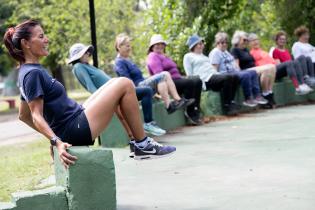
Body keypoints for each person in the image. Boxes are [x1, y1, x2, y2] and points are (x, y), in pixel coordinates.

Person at [3, 20, 176, 166]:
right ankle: (142, 144)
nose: (46, 40)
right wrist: (56, 140)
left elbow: (22, 115)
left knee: (116, 83)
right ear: (26, 43)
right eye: (41, 37)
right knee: (124, 83)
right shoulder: (32, 74)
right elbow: (34, 115)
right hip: (75, 128)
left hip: (74, 119)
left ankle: (138, 142)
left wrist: (54, 135)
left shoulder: (27, 71)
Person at [68, 43, 166, 138]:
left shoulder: (87, 66)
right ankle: (148, 123)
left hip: (115, 90)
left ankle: (137, 142)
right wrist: (101, 101)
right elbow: (90, 86)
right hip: (111, 93)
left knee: (128, 114)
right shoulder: (78, 67)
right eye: (86, 53)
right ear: (79, 55)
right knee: (146, 91)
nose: (88, 54)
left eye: (88, 52)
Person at [114, 33, 194, 114]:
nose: (129, 48)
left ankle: (170, 105)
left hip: (142, 83)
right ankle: (177, 100)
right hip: (137, 87)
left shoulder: (127, 60)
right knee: (164, 74)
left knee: (162, 79)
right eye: (127, 46)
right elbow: (126, 80)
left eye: (129, 46)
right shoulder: (119, 62)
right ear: (119, 47)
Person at [146, 34, 203, 125]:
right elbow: (159, 74)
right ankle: (190, 112)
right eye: (157, 44)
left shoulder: (165, 56)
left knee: (197, 81)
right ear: (152, 47)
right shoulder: (153, 56)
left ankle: (196, 108)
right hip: (166, 82)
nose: (160, 46)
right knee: (190, 83)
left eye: (161, 44)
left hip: (176, 80)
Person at [183, 34, 240, 116]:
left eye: (202, 43)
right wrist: (198, 85)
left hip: (213, 75)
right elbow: (189, 73)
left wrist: (217, 74)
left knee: (235, 77)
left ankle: (231, 101)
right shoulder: (188, 56)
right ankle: (227, 106)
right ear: (193, 46)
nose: (201, 45)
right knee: (227, 78)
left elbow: (211, 69)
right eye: (199, 44)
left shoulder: (204, 56)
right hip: (205, 79)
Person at [209, 32, 268, 107]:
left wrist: (240, 71)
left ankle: (257, 96)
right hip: (226, 74)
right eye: (222, 42)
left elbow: (234, 65)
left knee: (253, 72)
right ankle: (248, 98)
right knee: (246, 75)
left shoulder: (226, 52)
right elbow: (214, 69)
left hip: (234, 72)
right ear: (217, 43)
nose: (224, 44)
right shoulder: (215, 53)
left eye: (226, 42)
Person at [248, 33, 313, 96]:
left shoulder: (263, 51)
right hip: (271, 71)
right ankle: (297, 87)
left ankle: (305, 81)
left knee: (300, 59)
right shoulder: (251, 53)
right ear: (249, 43)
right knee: (290, 62)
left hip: (276, 68)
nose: (256, 42)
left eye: (257, 40)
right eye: (253, 40)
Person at [231, 31, 276, 108]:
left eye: (247, 40)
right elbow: (236, 66)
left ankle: (269, 92)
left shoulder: (245, 50)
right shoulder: (235, 50)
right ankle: (265, 95)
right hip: (246, 71)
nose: (246, 42)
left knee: (272, 67)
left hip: (254, 69)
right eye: (244, 40)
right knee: (268, 68)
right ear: (237, 40)